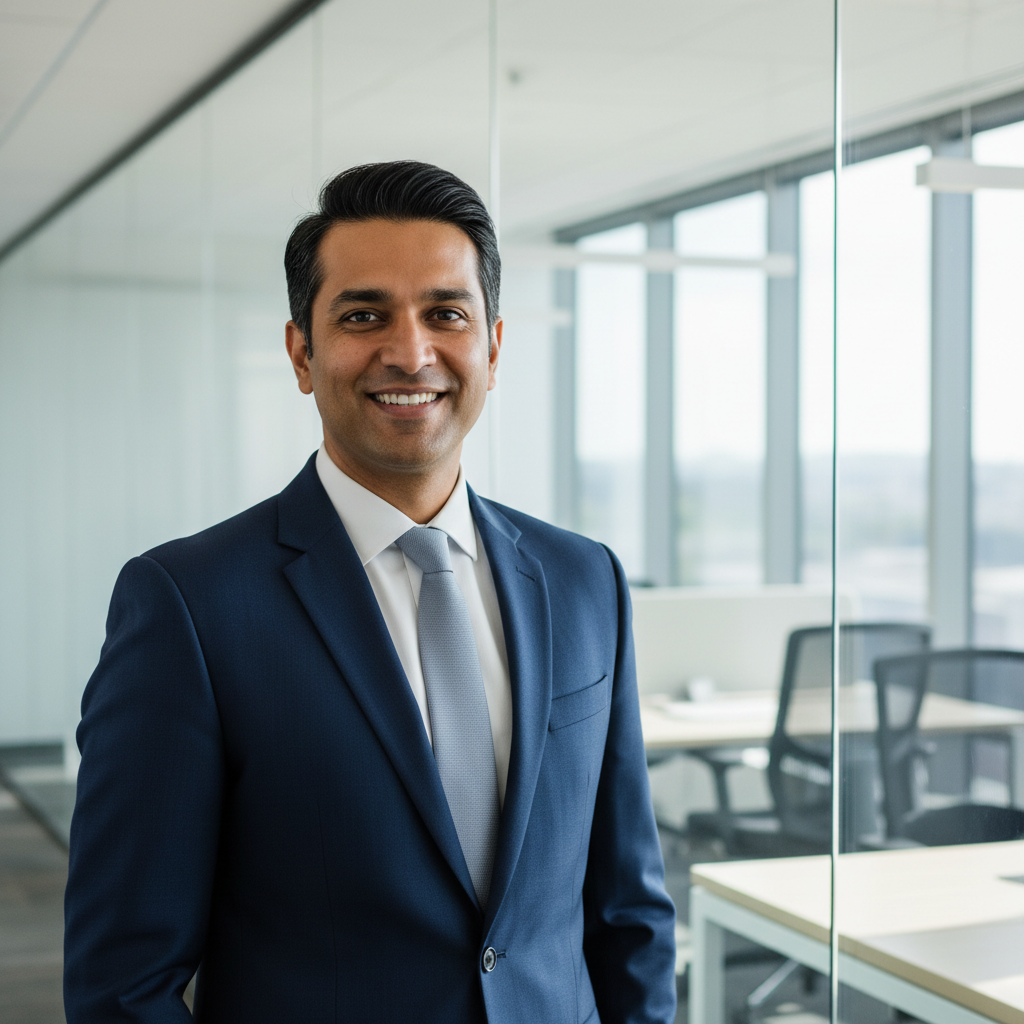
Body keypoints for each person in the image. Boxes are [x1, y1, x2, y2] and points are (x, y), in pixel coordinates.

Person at [63, 160, 676, 1023]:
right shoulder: (190, 606)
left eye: (446, 314)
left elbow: (628, 915)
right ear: (301, 353)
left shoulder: (584, 581)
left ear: (493, 349)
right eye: (363, 315)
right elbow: (123, 984)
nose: (411, 351)